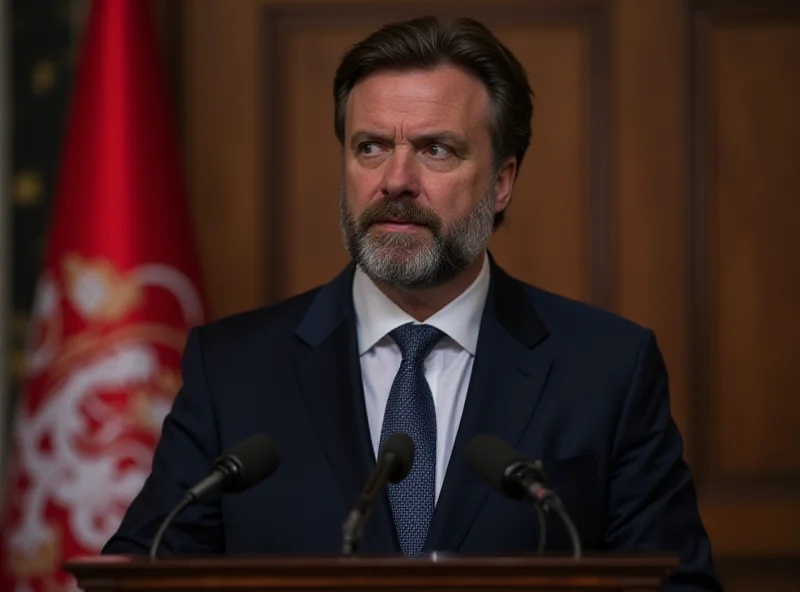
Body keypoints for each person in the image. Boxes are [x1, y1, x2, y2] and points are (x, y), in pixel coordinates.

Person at [103, 16, 722, 591]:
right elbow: (142, 573)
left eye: (436, 149)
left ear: (502, 181)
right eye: (370, 147)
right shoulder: (232, 369)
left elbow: (679, 585)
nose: (395, 181)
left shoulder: (608, 368)